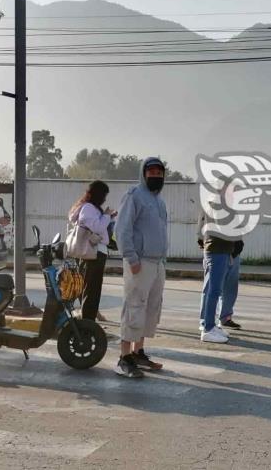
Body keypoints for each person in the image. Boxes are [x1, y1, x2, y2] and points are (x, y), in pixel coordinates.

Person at [114, 157, 168, 378]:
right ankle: (124, 358)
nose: (155, 176)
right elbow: (122, 229)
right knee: (134, 307)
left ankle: (138, 352)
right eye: (151, 172)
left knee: (150, 309)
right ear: (143, 174)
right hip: (139, 263)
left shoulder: (159, 201)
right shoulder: (134, 196)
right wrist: (131, 258)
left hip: (157, 263)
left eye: (159, 173)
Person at [67, 180, 115, 322]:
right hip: (92, 254)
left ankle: (88, 320)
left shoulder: (90, 208)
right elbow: (98, 227)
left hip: (95, 254)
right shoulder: (88, 208)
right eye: (104, 195)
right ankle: (88, 322)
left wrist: (108, 217)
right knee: (91, 290)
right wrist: (106, 215)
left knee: (91, 289)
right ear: (98, 195)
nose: (105, 199)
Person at [197, 213, 244, 343]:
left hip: (224, 249)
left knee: (218, 290)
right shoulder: (216, 201)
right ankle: (207, 327)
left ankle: (213, 324)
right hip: (217, 249)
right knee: (213, 290)